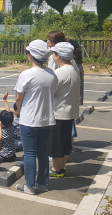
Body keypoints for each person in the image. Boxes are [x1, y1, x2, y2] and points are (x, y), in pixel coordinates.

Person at [15, 40, 58, 195]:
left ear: (31, 55)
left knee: (30, 153)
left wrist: (18, 111)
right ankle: (42, 183)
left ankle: (29, 185)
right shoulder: (52, 74)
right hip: (47, 119)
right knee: (43, 153)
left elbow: (19, 98)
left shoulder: (26, 74)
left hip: (29, 119)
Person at [49, 42, 81, 177]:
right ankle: (62, 167)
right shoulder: (74, 69)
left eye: (54, 53)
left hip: (59, 112)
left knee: (57, 142)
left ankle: (56, 169)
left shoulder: (60, 72)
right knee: (65, 141)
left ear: (59, 56)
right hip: (70, 111)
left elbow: (50, 91)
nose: (52, 56)